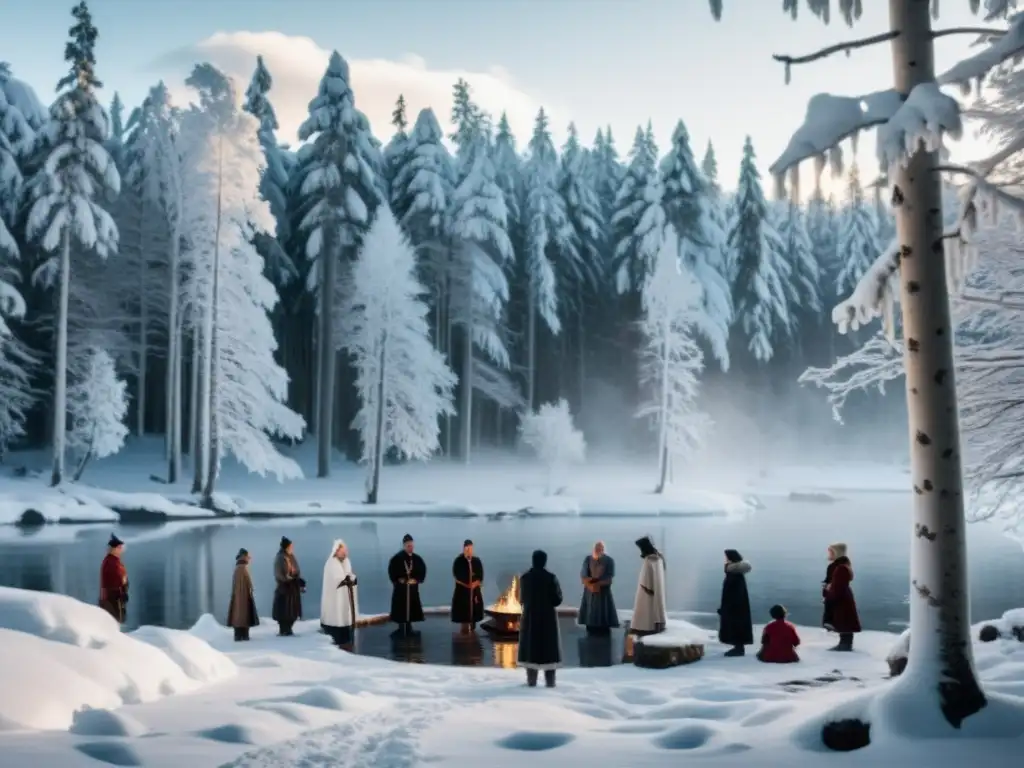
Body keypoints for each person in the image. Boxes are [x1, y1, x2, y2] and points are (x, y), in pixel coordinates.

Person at [518, 549, 564, 688]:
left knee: (531, 650)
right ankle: (550, 683)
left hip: (530, 618)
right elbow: (557, 600)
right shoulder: (551, 578)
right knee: (548, 651)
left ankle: (531, 682)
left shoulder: (525, 578)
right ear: (545, 561)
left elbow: (521, 599)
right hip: (547, 619)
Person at [822, 542, 861, 651]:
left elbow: (838, 585)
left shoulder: (840, 568)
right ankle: (844, 643)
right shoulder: (841, 566)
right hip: (842, 596)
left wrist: (829, 594)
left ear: (836, 553)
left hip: (840, 598)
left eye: (830, 551)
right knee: (843, 620)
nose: (828, 554)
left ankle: (845, 644)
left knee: (844, 620)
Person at [321, 539, 359, 647]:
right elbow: (335, 580)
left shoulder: (346, 562)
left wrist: (352, 579)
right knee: (337, 621)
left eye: (345, 551)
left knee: (345, 621)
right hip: (335, 600)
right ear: (336, 551)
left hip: (345, 598)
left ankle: (348, 641)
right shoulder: (331, 563)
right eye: (342, 551)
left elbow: (349, 574)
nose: (345, 553)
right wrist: (345, 580)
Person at [388, 534, 427, 634]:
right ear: (404, 545)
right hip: (401, 589)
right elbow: (392, 572)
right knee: (401, 608)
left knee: (412, 608)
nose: (410, 548)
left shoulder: (417, 559)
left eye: (412, 546)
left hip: (413, 588)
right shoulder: (397, 558)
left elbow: (422, 570)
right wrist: (399, 580)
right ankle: (401, 628)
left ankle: (409, 627)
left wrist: (417, 580)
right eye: (408, 546)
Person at [578, 540, 619, 634]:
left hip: (603, 592)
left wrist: (598, 584)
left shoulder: (609, 561)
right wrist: (589, 584)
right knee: (590, 612)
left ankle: (603, 628)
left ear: (603, 549)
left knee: (603, 613)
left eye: (600, 548)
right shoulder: (588, 559)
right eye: (596, 548)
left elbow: (609, 577)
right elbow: (583, 574)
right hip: (589, 591)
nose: (598, 550)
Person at [718, 548, 753, 657]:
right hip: (737, 606)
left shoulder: (733, 575)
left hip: (734, 607)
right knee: (737, 625)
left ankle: (738, 648)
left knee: (735, 625)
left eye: (726, 557)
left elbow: (731, 593)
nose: (725, 559)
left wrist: (726, 608)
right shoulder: (736, 574)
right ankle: (738, 647)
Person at [630, 535, 666, 635]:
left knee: (646, 611)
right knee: (653, 610)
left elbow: (646, 577)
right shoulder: (658, 558)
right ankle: (655, 624)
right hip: (654, 591)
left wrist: (646, 587)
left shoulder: (650, 560)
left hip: (647, 591)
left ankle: (644, 628)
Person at [272, 536, 305, 636]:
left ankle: (288, 628)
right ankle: (284, 630)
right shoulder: (281, 558)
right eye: (291, 546)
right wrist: (292, 580)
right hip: (284, 589)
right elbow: (281, 575)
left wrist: (298, 580)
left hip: (291, 588)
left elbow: (295, 570)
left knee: (291, 611)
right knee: (285, 611)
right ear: (286, 547)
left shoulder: (290, 556)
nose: (292, 548)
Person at [451, 539, 484, 633]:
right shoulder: (458, 561)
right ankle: (464, 632)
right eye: (467, 548)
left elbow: (480, 575)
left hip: (475, 591)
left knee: (474, 614)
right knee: (464, 615)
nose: (469, 550)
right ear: (464, 549)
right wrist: (467, 584)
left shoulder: (476, 561)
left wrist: (475, 583)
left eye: (470, 548)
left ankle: (473, 630)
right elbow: (456, 575)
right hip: (463, 591)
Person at [227, 548, 259, 641]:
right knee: (244, 615)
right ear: (244, 556)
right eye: (248, 556)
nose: (249, 558)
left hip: (239, 596)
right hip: (244, 596)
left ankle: (239, 634)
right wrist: (251, 590)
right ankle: (243, 635)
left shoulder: (238, 567)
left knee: (239, 614)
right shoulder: (243, 568)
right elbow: (248, 583)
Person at [98, 534, 129, 624]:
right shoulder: (111, 563)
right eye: (119, 548)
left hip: (113, 598)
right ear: (114, 549)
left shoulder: (113, 561)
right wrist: (122, 592)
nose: (121, 550)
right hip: (112, 600)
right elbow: (117, 580)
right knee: (115, 622)